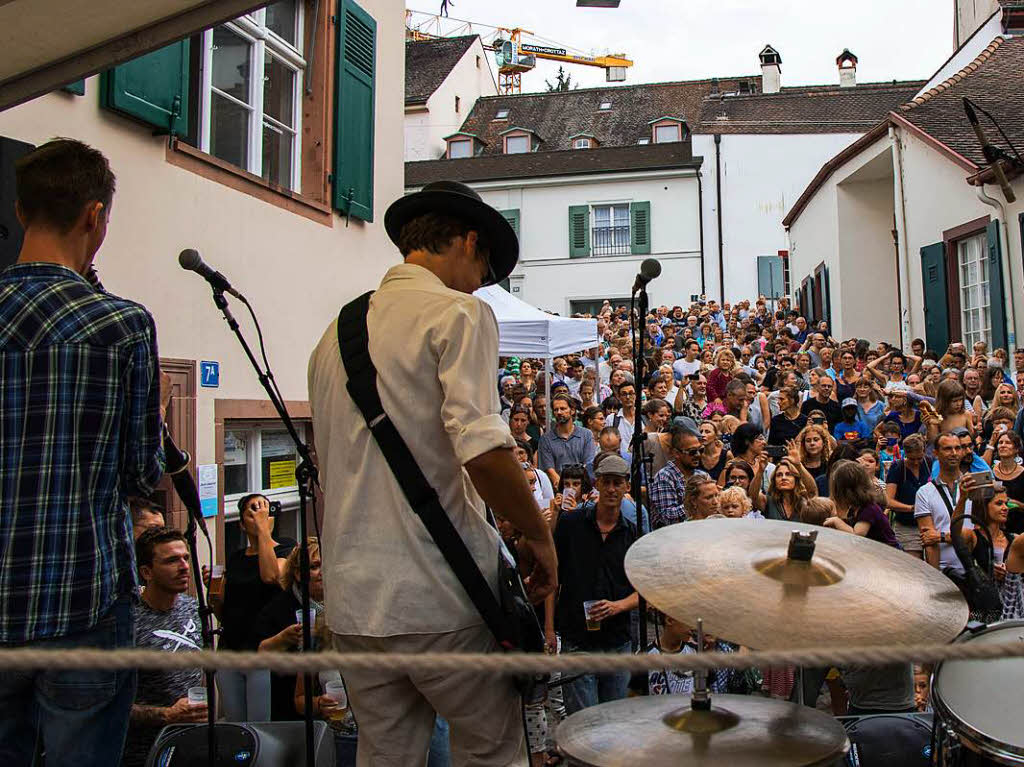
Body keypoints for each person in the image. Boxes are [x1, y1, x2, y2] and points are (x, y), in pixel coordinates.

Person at [308, 180, 555, 765]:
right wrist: (539, 536)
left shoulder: (333, 336)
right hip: (439, 597)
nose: (482, 284)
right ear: (468, 242)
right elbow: (484, 449)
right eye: (485, 268)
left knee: (385, 755)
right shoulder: (459, 312)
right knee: (494, 751)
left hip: (355, 603)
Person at [0, 139, 166, 767]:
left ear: (21, 210)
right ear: (95, 217)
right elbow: (140, 470)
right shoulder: (119, 324)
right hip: (82, 594)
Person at [553, 454, 638, 715]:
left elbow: (646, 589)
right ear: (597, 484)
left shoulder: (633, 534)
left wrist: (618, 606)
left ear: (626, 487)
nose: (612, 489)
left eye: (617, 483)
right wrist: (548, 628)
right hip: (577, 637)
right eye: (607, 482)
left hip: (617, 640)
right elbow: (553, 575)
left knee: (614, 720)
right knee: (583, 721)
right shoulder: (571, 524)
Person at [123, 528, 206, 767]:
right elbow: (109, 705)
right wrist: (167, 715)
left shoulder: (192, 608)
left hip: (190, 745)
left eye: (186, 558)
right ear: (146, 572)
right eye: (172, 560)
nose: (183, 567)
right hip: (142, 753)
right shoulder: (129, 623)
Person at [216, 493, 296, 720]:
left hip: (263, 650)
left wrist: (262, 530)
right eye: (253, 512)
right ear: (241, 524)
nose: (261, 515)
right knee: (236, 725)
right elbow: (225, 612)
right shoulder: (236, 558)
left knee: (261, 724)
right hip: (232, 651)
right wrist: (215, 594)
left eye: (265, 511)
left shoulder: (286, 548)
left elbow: (272, 576)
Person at [916, 433, 975, 572]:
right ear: (936, 453)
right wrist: (936, 578)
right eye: (948, 449)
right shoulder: (924, 492)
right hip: (943, 570)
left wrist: (940, 536)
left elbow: (973, 535)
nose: (954, 453)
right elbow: (929, 540)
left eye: (957, 448)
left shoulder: (973, 485)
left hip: (973, 570)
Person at [824, 461, 899, 546]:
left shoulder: (869, 509)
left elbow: (857, 535)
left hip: (889, 553)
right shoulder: (855, 507)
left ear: (847, 491)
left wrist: (837, 522)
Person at [649, 420, 706, 528]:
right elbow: (668, 518)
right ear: (676, 453)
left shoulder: (702, 476)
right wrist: (698, 504)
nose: (698, 455)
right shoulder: (665, 477)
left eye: (701, 450)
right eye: (692, 452)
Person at [885, 434, 932, 556]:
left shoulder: (930, 463)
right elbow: (888, 501)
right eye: (912, 459)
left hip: (931, 524)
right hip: (907, 526)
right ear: (904, 453)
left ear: (924, 452)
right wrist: (911, 508)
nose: (916, 462)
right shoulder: (898, 467)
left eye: (919, 458)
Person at [538, 393, 597, 486]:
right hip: (557, 490)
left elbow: (588, 464)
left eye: (563, 408)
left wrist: (577, 487)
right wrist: (564, 487)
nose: (559, 412)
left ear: (572, 410)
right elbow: (549, 469)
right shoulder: (546, 439)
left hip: (582, 488)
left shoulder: (586, 435)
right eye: (556, 410)